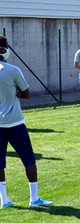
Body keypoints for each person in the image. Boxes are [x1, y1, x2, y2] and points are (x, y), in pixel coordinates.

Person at [0, 36, 54, 209]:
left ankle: (4, 201)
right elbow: (27, 94)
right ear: (3, 50)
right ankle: (34, 199)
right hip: (15, 123)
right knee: (28, 159)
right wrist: (16, 93)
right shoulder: (13, 70)